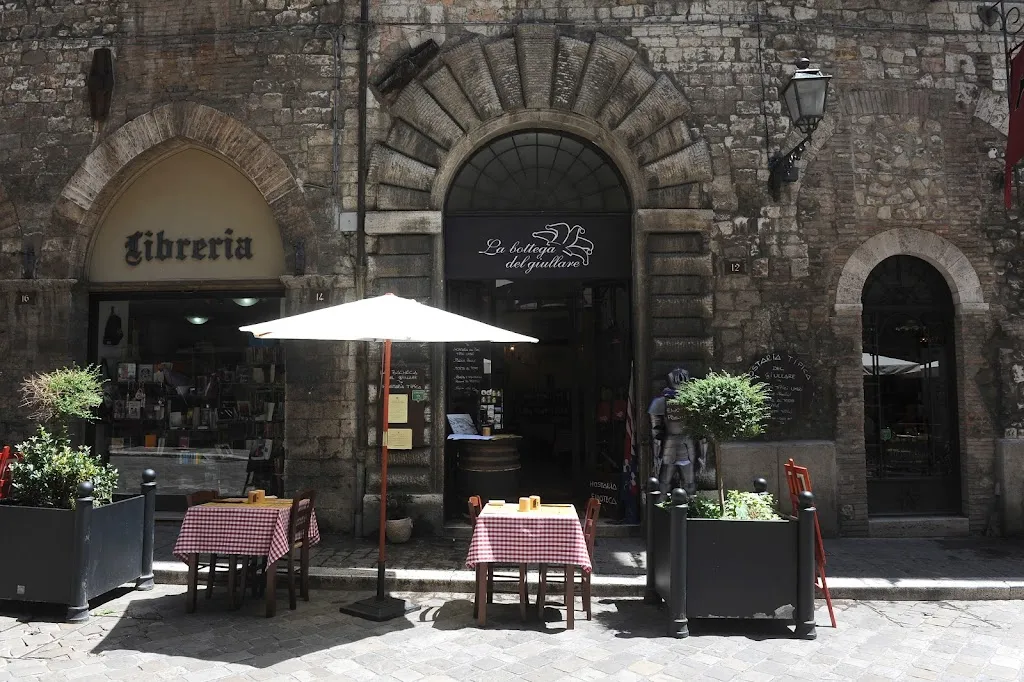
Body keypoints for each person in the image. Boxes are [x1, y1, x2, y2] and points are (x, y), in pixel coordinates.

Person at [648, 368, 697, 496]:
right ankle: (661, 509)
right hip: (672, 443)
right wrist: (656, 453)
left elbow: (701, 427)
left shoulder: (694, 399)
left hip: (685, 442)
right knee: (664, 482)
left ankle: (691, 511)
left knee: (689, 483)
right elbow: (656, 429)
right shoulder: (662, 400)